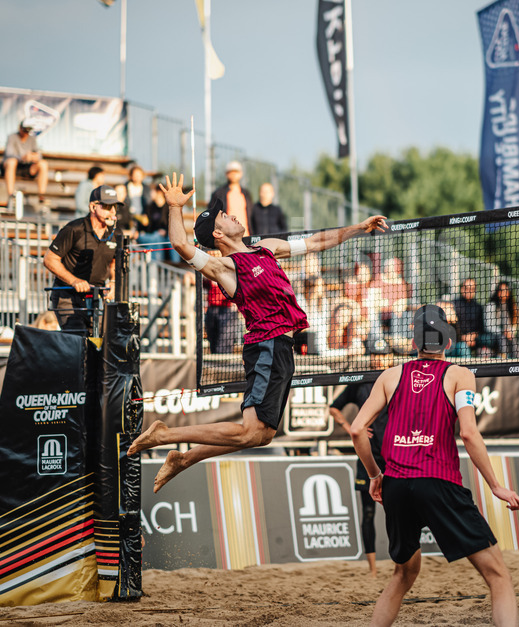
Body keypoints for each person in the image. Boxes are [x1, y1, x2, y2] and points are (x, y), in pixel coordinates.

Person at [127, 173, 388, 492]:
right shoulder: (225, 267)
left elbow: (318, 241)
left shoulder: (266, 248)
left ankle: (186, 458)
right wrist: (174, 207)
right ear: (219, 233)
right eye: (224, 215)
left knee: (262, 436)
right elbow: (181, 244)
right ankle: (164, 435)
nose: (233, 214)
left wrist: (359, 227)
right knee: (249, 432)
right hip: (266, 345)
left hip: (283, 348)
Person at [348, 304, 519, 626]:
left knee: (403, 574)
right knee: (498, 576)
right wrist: (496, 485)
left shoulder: (390, 375)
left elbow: (357, 429)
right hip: (438, 481)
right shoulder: (460, 374)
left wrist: (375, 474)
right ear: (449, 343)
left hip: (396, 484)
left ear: (414, 343)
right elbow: (469, 433)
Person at [328, 340, 394, 577]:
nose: (379, 359)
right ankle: (373, 570)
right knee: (368, 513)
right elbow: (334, 407)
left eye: (383, 355)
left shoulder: (396, 381)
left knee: (397, 513)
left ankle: (401, 564)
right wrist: (351, 427)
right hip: (367, 458)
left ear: (390, 358)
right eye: (375, 355)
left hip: (394, 456)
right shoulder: (362, 382)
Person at [43, 185, 119, 333]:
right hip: (67, 295)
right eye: (108, 206)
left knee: (103, 341)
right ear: (93, 206)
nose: (113, 211)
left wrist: (114, 282)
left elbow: (114, 261)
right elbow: (49, 259)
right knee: (77, 338)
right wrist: (74, 281)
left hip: (96, 296)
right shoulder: (74, 229)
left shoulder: (116, 233)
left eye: (115, 206)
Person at [1, 119, 49, 203]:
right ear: (20, 128)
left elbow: (39, 155)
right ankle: (11, 194)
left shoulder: (32, 139)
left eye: (28, 131)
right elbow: (9, 154)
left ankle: (41, 195)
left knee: (43, 164)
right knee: (12, 162)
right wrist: (23, 157)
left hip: (27, 167)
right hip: (13, 167)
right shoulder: (12, 137)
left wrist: (34, 157)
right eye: (24, 130)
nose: (26, 133)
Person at [209, 160, 252, 236]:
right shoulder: (218, 194)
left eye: (236, 172)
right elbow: (212, 215)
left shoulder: (246, 194)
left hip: (246, 235)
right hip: (228, 236)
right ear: (226, 174)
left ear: (241, 174)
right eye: (230, 172)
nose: (233, 174)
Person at [484, 281, 519, 358]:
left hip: (507, 335)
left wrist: (510, 332)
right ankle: (503, 359)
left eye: (505, 290)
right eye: (501, 290)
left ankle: (517, 362)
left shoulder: (511, 308)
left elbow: (514, 325)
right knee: (502, 338)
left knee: (514, 342)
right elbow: (488, 327)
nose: (503, 293)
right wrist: (502, 331)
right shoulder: (491, 306)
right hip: (492, 335)